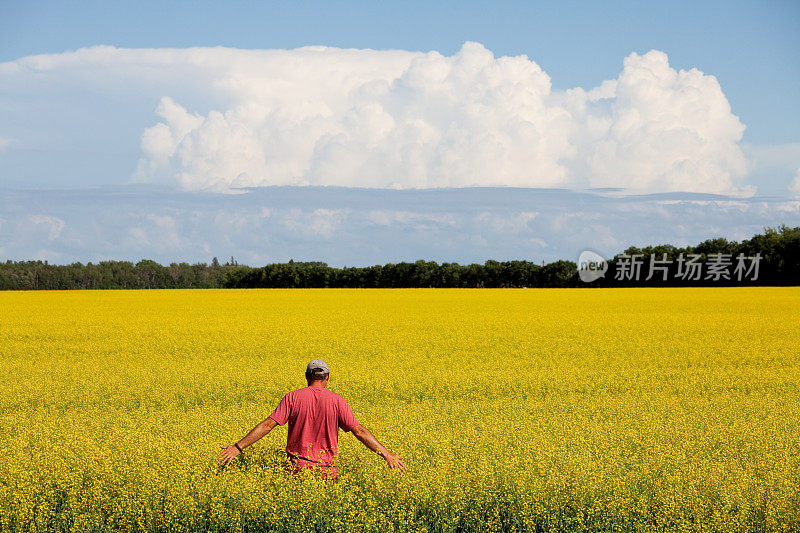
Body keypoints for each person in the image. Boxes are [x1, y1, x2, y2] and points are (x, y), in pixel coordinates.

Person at [217, 359, 406, 478]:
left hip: (296, 471)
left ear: (307, 376)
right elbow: (359, 432)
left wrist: (237, 447)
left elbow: (267, 426)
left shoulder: (292, 397)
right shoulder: (337, 401)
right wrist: (386, 454)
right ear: (328, 377)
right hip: (327, 472)